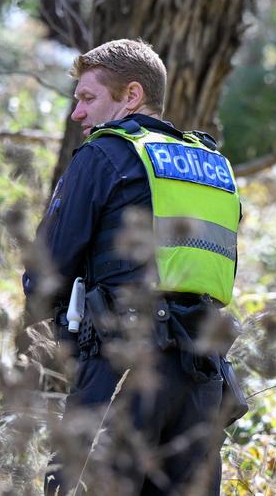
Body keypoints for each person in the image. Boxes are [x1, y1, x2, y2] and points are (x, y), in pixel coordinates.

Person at [23, 39, 246, 495]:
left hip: (121, 368)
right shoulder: (212, 165)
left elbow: (46, 271)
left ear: (131, 96)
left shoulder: (102, 155)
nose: (77, 114)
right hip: (204, 380)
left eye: (88, 98)